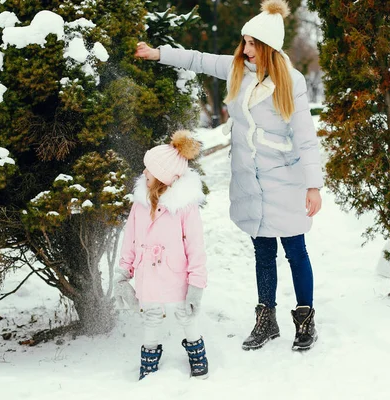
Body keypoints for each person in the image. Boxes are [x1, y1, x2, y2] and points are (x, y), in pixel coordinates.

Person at [135, 0, 323, 352]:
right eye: (244, 42)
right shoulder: (238, 69)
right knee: (263, 251)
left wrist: (313, 186)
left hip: (285, 178)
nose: (245, 49)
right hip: (250, 179)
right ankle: (266, 320)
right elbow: (198, 58)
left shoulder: (291, 82)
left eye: (253, 44)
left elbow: (306, 137)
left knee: (295, 250)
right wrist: (157, 53)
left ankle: (305, 319)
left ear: (268, 47)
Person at [114, 130, 209, 380]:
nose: (144, 173)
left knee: (185, 314)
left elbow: (196, 248)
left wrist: (196, 285)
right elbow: (130, 241)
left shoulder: (184, 207)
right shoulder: (140, 204)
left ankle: (197, 353)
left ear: (164, 177)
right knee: (151, 316)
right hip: (148, 275)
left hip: (176, 275)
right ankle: (150, 359)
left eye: (149, 170)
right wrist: (123, 275)